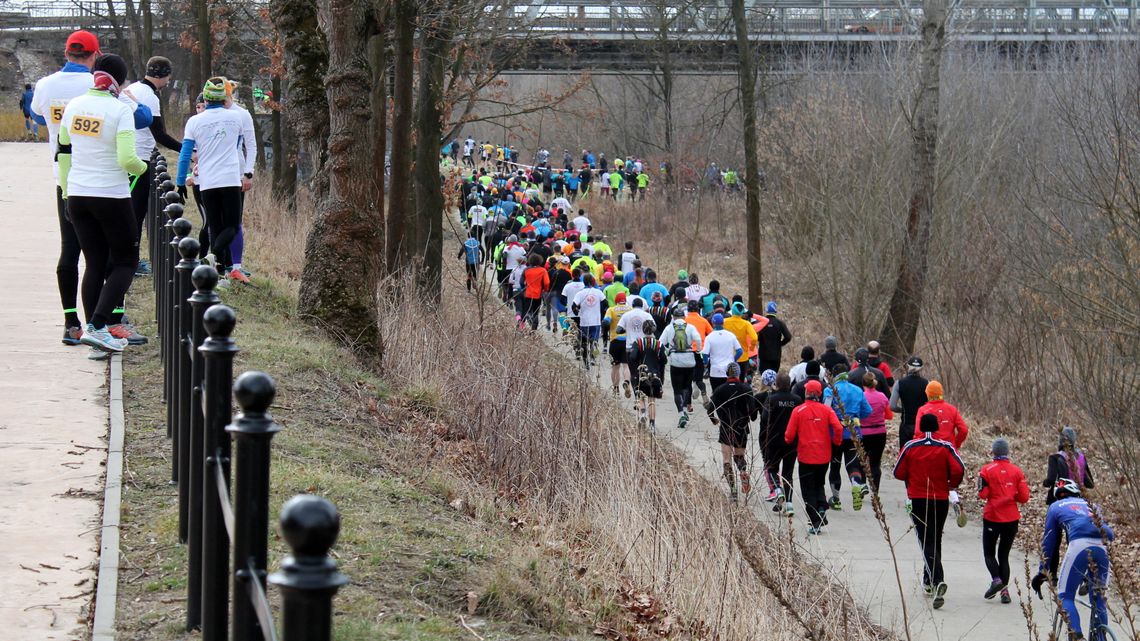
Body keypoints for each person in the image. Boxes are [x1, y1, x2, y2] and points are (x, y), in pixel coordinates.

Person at [56, 53, 148, 354]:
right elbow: (126, 159)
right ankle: (98, 325)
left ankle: (90, 329)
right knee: (125, 261)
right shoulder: (119, 109)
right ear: (119, 83)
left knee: (94, 262)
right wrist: (142, 168)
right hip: (111, 195)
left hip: (79, 194)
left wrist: (68, 194)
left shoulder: (74, 106)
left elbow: (64, 153)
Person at [31, 30, 103, 347]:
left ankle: (70, 322)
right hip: (99, 178)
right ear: (94, 55)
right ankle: (102, 321)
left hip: (64, 178)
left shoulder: (46, 86)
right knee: (102, 253)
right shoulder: (96, 86)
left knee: (69, 250)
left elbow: (35, 112)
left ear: (66, 54)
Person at [176, 77, 249, 282]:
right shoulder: (235, 118)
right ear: (224, 97)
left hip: (207, 181)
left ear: (206, 99)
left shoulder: (194, 121)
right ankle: (213, 257)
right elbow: (236, 144)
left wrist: (181, 181)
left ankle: (217, 275)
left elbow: (185, 154)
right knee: (232, 225)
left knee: (215, 226)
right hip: (230, 178)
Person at [893, 413, 966, 609]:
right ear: (936, 427)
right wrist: (951, 483)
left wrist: (912, 478)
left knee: (925, 539)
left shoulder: (910, 446)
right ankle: (928, 580)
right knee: (935, 538)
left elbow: (897, 472)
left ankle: (937, 579)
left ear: (920, 426)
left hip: (917, 497)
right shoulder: (945, 447)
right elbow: (959, 469)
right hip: (940, 498)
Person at [1032, 479, 1114, 641]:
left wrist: (1043, 571)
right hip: (1104, 546)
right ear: (1077, 492)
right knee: (1098, 598)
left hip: (1079, 545)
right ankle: (1100, 637)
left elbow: (1049, 543)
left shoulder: (1055, 507)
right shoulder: (1092, 505)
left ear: (1058, 496)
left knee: (1065, 596)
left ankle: (1077, 636)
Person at [124, 56, 182, 276]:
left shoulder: (133, 88)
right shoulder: (151, 97)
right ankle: (132, 262)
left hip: (128, 154)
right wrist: (187, 151)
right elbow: (159, 135)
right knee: (136, 213)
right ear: (162, 75)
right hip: (140, 159)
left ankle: (129, 258)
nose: (168, 81)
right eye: (168, 76)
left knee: (129, 210)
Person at [785, 380, 843, 533]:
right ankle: (822, 507)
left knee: (807, 489)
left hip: (806, 455)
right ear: (819, 394)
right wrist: (836, 443)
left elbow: (789, 436)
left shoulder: (798, 411)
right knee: (819, 484)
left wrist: (789, 440)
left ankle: (815, 521)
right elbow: (838, 427)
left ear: (806, 393)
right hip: (824, 455)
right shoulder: (827, 410)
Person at [977, 438, 1030, 604]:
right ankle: (1005, 592)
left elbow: (982, 494)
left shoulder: (986, 470)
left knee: (989, 553)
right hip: (1011, 518)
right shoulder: (1017, 471)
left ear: (993, 452)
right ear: (1007, 452)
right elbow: (1024, 497)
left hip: (993, 516)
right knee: (1004, 555)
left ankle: (997, 581)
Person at [823, 365, 873, 511]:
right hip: (854, 434)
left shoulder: (830, 390)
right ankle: (856, 484)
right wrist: (856, 417)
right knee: (853, 465)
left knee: (835, 465)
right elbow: (867, 411)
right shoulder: (858, 390)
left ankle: (836, 499)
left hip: (835, 435)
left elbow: (826, 411)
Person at [709, 362, 759, 500]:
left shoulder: (719, 390)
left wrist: (714, 419)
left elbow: (709, 409)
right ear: (738, 374)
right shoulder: (746, 388)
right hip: (742, 427)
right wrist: (752, 417)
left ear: (726, 374)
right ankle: (743, 471)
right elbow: (753, 410)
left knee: (726, 460)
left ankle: (733, 491)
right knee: (739, 457)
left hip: (726, 426)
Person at [760, 372, 800, 513]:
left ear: (776, 384)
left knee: (771, 468)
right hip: (792, 442)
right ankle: (789, 504)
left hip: (774, 440)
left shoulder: (771, 399)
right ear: (790, 384)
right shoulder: (797, 400)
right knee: (788, 473)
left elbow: (764, 419)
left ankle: (777, 489)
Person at [660, 308, 701, 428]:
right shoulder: (690, 327)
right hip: (689, 360)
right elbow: (698, 339)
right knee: (686, 386)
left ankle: (681, 414)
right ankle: (684, 408)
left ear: (673, 317)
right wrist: (697, 350)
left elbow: (660, 343)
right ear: (684, 317)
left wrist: (667, 351)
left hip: (676, 361)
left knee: (677, 389)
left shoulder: (669, 328)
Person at [629, 319, 666, 429]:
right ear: (654, 329)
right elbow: (664, 360)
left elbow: (633, 357)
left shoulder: (638, 342)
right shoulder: (659, 344)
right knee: (652, 399)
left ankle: (643, 413)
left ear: (643, 330)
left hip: (642, 374)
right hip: (655, 375)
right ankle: (652, 424)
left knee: (641, 396)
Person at [1043, 426, 1095, 505]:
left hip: (1060, 500)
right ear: (1073, 440)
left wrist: (1045, 483)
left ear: (1060, 440)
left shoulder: (1055, 458)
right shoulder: (1081, 457)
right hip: (1081, 499)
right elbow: (1090, 484)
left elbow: (1051, 480)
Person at [914, 380, 969, 450]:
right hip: (949, 452)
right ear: (941, 393)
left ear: (927, 394)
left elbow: (918, 433)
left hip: (929, 450)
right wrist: (955, 444)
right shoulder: (952, 409)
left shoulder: (922, 410)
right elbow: (964, 430)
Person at [890, 356, 929, 448]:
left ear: (908, 366)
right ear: (921, 368)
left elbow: (892, 406)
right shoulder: (927, 383)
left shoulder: (899, 383)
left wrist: (903, 409)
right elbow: (931, 405)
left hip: (906, 424)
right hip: (922, 426)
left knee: (905, 454)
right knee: (921, 454)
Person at [701, 313, 743, 391]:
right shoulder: (731, 335)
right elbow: (740, 351)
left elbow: (705, 353)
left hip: (715, 371)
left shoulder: (709, 337)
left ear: (713, 323)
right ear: (723, 323)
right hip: (729, 371)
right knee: (728, 394)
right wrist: (733, 360)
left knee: (716, 393)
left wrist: (706, 364)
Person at [602, 292, 632, 397]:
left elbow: (606, 321)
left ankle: (616, 389)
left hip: (615, 340)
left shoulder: (611, 309)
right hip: (627, 341)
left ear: (616, 300)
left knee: (615, 367)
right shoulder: (630, 309)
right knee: (626, 365)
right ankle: (627, 382)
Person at [571, 274, 604, 369]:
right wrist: (599, 310)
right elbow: (605, 303)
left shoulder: (580, 293)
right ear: (592, 281)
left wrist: (577, 312)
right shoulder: (598, 292)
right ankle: (593, 357)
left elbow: (573, 306)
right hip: (596, 321)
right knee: (595, 341)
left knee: (584, 342)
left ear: (583, 282)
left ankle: (586, 363)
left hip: (584, 322)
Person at [723, 302, 758, 379]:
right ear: (742, 312)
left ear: (732, 310)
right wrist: (751, 348)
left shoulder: (724, 321)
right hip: (743, 356)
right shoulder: (746, 324)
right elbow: (754, 338)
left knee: (728, 379)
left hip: (728, 356)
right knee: (741, 380)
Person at [756, 301, 792, 373]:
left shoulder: (761, 323)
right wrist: (780, 344)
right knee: (774, 376)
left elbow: (755, 336)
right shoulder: (780, 323)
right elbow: (788, 337)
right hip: (776, 355)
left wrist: (760, 340)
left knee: (764, 377)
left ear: (766, 310)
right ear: (775, 310)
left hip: (764, 355)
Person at [520, 253, 550, 330]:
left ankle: (522, 325)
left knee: (526, 310)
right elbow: (547, 282)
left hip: (527, 293)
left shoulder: (526, 270)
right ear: (540, 261)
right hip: (538, 294)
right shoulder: (543, 270)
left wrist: (524, 288)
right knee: (536, 311)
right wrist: (545, 289)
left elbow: (521, 282)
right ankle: (534, 328)